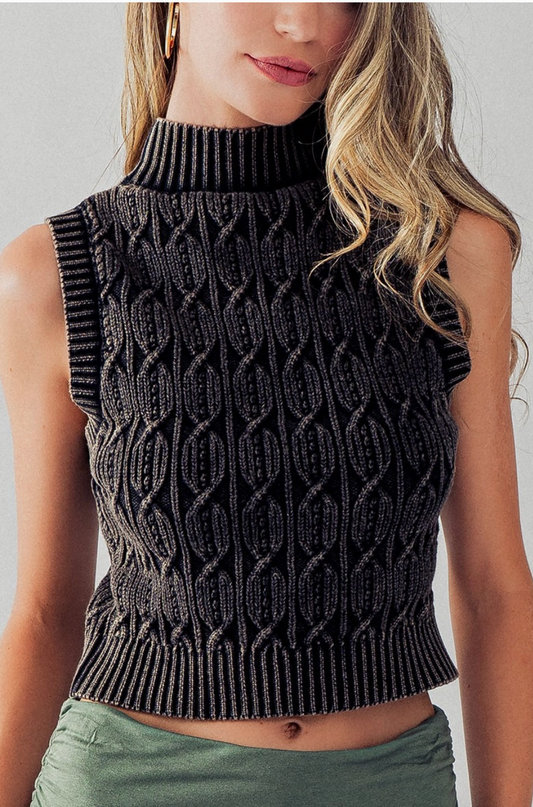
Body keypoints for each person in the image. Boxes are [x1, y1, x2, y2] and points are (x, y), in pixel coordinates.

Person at [0, 2, 532, 806]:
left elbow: (494, 588)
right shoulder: (63, 272)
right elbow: (46, 610)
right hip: (131, 780)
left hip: (385, 783)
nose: (306, 23)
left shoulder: (439, 253)